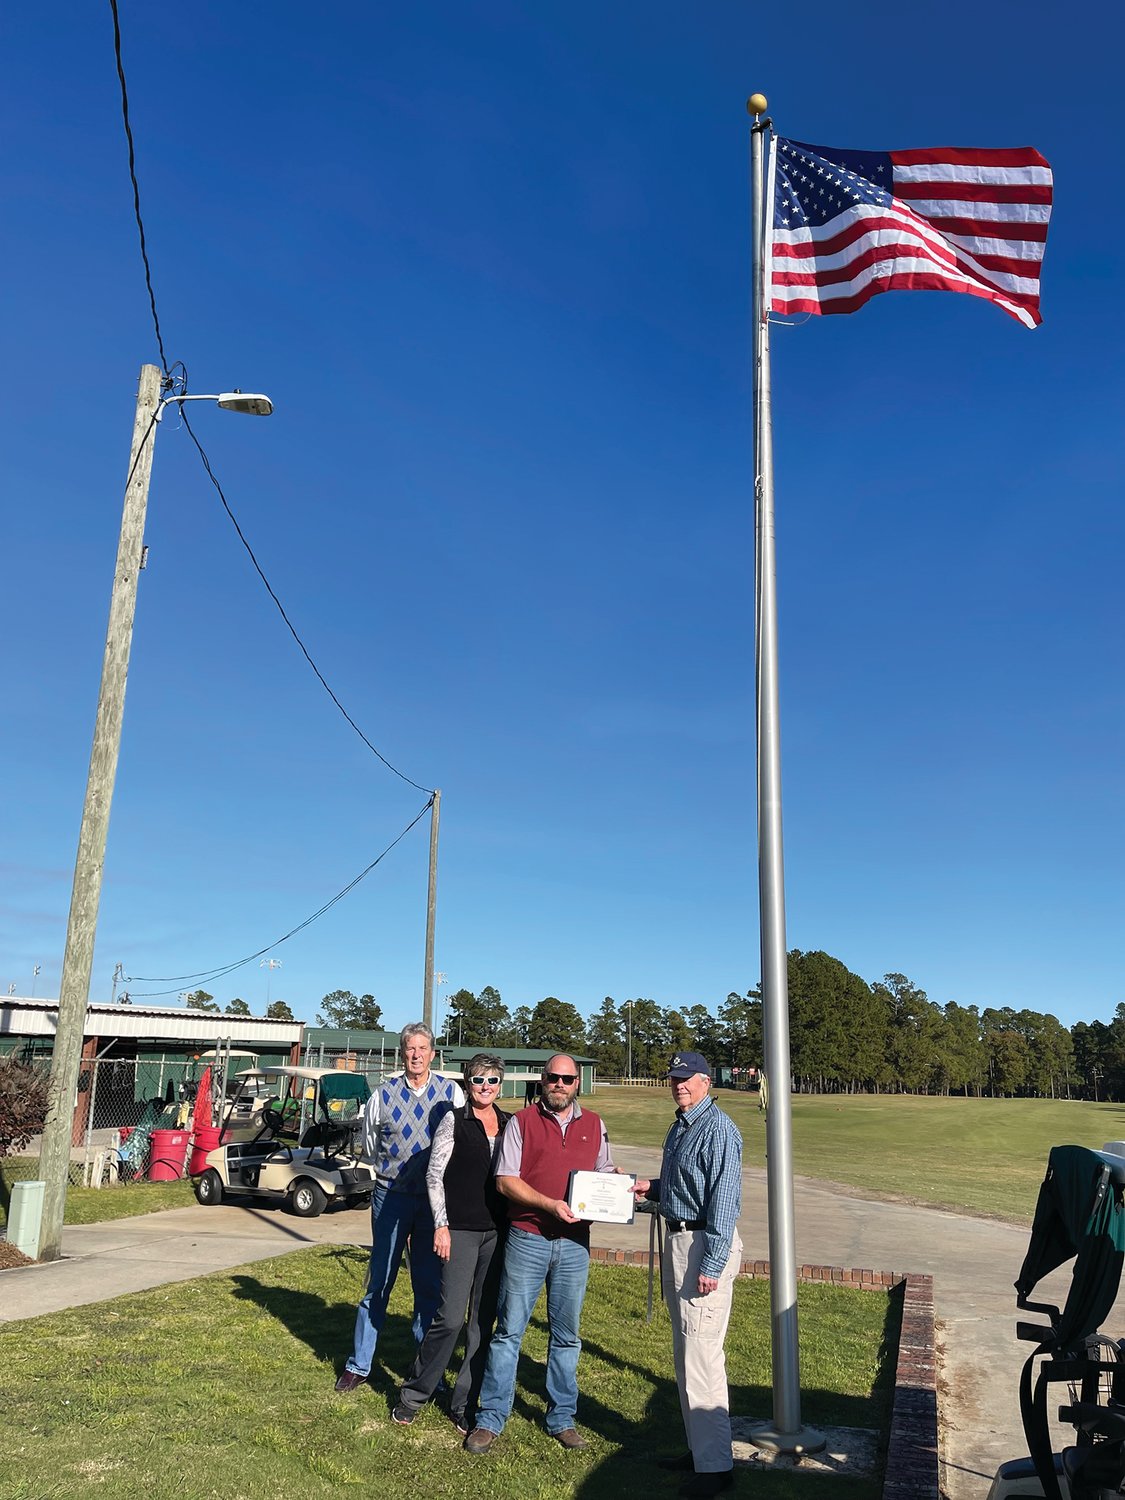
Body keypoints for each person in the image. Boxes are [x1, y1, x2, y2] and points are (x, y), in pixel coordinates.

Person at [464, 1053, 616, 1454]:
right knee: (509, 1331)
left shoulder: (595, 1124)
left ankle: (562, 1417)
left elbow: (604, 1172)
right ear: (542, 1080)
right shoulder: (522, 1123)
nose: (560, 1084)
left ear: (577, 1083)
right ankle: (491, 1418)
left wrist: (619, 1188)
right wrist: (549, 1205)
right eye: (553, 1077)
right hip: (528, 1238)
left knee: (566, 1336)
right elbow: (505, 1181)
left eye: (568, 1078)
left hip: (574, 1246)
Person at [632, 1051, 743, 1499]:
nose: (677, 1084)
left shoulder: (719, 1129)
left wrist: (712, 1265)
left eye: (686, 1078)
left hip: (702, 1247)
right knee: (685, 1353)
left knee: (702, 1355)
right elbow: (684, 1187)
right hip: (680, 1241)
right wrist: (649, 1188)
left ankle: (716, 1468)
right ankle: (701, 1453)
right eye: (673, 1078)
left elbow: (724, 1199)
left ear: (705, 1081)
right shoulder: (682, 1125)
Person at [335, 1022, 463, 1393]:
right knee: (380, 1280)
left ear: (432, 1054)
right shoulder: (383, 1095)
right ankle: (359, 1364)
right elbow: (371, 1144)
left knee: (428, 1285)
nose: (416, 1055)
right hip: (390, 1197)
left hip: (431, 1203)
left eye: (423, 1048)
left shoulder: (449, 1093)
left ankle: (426, 1370)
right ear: (402, 1053)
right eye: (410, 1048)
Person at [392, 1052, 511, 1433]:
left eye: (492, 1081)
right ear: (467, 1083)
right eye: (478, 1080)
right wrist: (440, 1226)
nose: (485, 1088)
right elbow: (434, 1175)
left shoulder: (510, 1124)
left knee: (481, 1321)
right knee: (450, 1317)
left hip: (497, 1233)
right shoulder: (454, 1121)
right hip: (459, 1230)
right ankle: (415, 1392)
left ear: (500, 1085)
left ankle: (464, 1402)